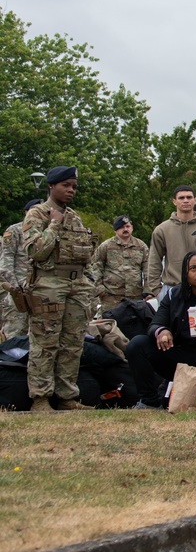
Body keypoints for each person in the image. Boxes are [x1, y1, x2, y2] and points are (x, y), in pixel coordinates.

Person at [21, 166, 95, 411]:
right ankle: (40, 398)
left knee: (72, 343)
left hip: (76, 285)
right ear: (51, 186)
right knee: (45, 342)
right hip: (48, 285)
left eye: (74, 186)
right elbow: (36, 251)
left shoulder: (75, 216)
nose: (71, 190)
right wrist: (53, 225)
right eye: (66, 185)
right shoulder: (37, 214)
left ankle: (66, 397)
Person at [126, 251, 196, 409]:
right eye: (194, 268)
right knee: (138, 344)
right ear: (185, 273)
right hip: (181, 354)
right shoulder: (174, 295)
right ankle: (149, 401)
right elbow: (155, 323)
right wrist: (162, 332)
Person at [147, 185, 196, 301]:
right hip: (171, 288)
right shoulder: (162, 229)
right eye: (181, 198)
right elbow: (154, 261)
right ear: (174, 201)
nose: (185, 200)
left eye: (189, 197)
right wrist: (156, 290)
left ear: (195, 200)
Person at [88, 215, 149, 311]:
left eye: (127, 226)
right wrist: (99, 289)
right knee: (109, 324)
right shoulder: (106, 246)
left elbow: (148, 269)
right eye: (121, 227)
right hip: (111, 298)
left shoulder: (141, 246)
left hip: (135, 297)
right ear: (115, 230)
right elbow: (96, 267)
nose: (125, 229)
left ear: (132, 228)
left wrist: (148, 290)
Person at [0, 199, 42, 338]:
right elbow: (6, 260)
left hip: (38, 289)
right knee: (15, 330)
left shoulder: (45, 232)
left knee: (36, 333)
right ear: (26, 212)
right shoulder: (15, 231)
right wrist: (14, 287)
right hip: (18, 289)